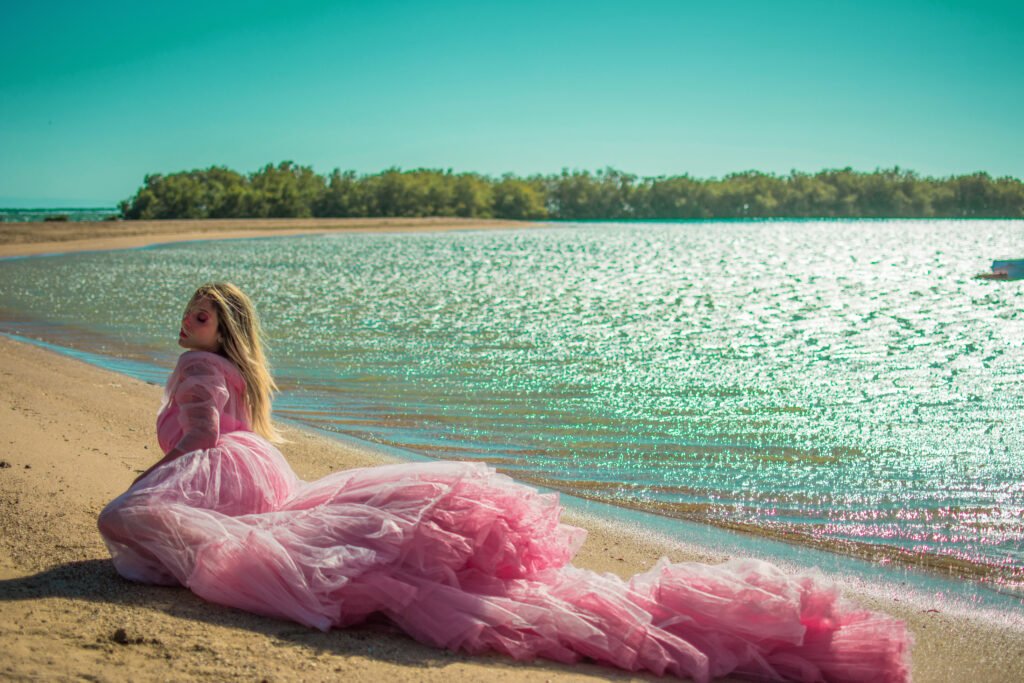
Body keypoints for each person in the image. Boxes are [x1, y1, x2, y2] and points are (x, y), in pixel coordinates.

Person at [99, 282, 912, 683]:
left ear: (223, 330)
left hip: (225, 477)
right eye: (191, 310)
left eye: (204, 313)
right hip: (258, 475)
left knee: (135, 524)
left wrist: (150, 477)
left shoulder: (195, 369)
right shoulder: (233, 369)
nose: (189, 318)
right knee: (277, 542)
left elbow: (202, 437)